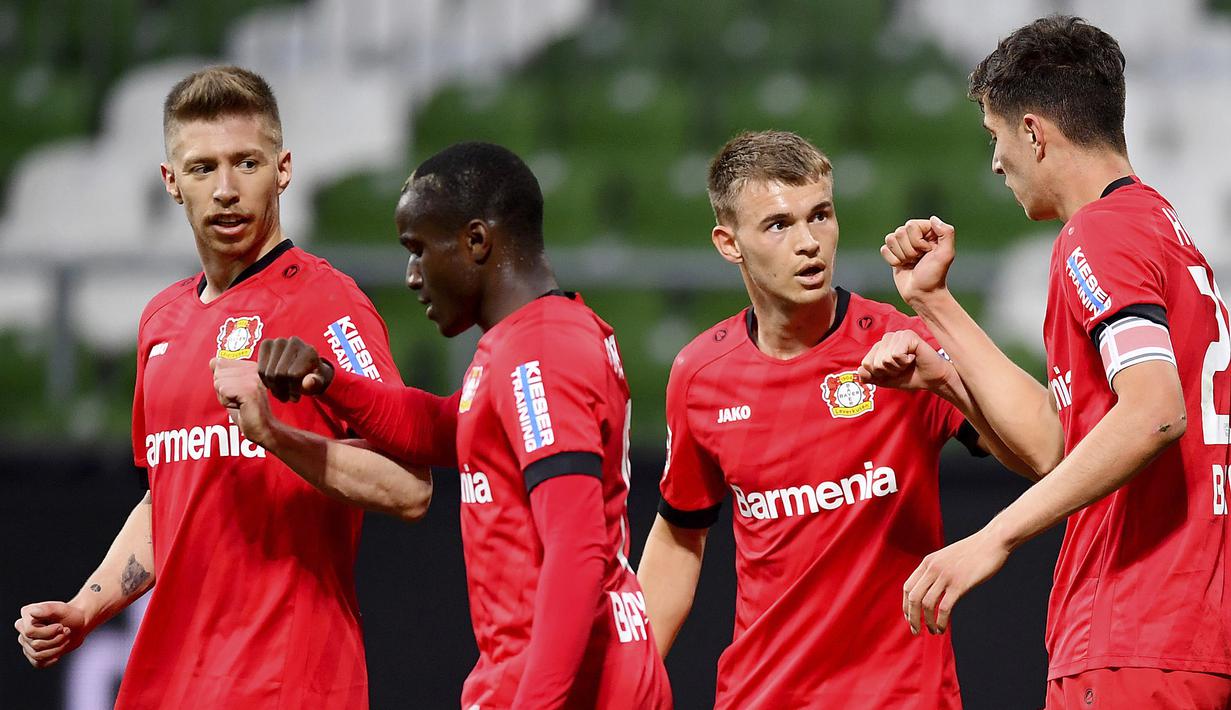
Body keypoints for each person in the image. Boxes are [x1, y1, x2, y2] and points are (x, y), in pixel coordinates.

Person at [13, 66, 431, 709]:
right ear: (170, 182)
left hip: (288, 685)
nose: (227, 189)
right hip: (165, 684)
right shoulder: (160, 321)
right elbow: (167, 499)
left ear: (284, 169)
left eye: (247, 162)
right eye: (203, 168)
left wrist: (276, 436)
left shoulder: (330, 306)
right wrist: (85, 608)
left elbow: (411, 488)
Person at [863, 15, 1231, 708]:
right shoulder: (1159, 231)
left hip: (1134, 633)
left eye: (996, 139)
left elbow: (1153, 414)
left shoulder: (1097, 234)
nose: (996, 163)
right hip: (1184, 635)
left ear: (1032, 132)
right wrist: (936, 312)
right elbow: (1059, 447)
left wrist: (991, 538)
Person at [248, 141, 672, 709]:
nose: (410, 275)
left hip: (563, 688)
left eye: (419, 249)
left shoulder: (540, 351)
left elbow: (575, 550)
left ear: (476, 241)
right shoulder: (538, 337)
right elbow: (449, 428)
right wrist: (330, 380)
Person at [635, 130, 1034, 708]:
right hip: (760, 695)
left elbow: (1039, 455)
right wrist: (625, 677)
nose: (809, 244)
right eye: (779, 225)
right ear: (729, 243)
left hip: (903, 698)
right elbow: (678, 535)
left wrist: (944, 380)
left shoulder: (903, 345)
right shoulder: (700, 374)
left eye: (820, 215)